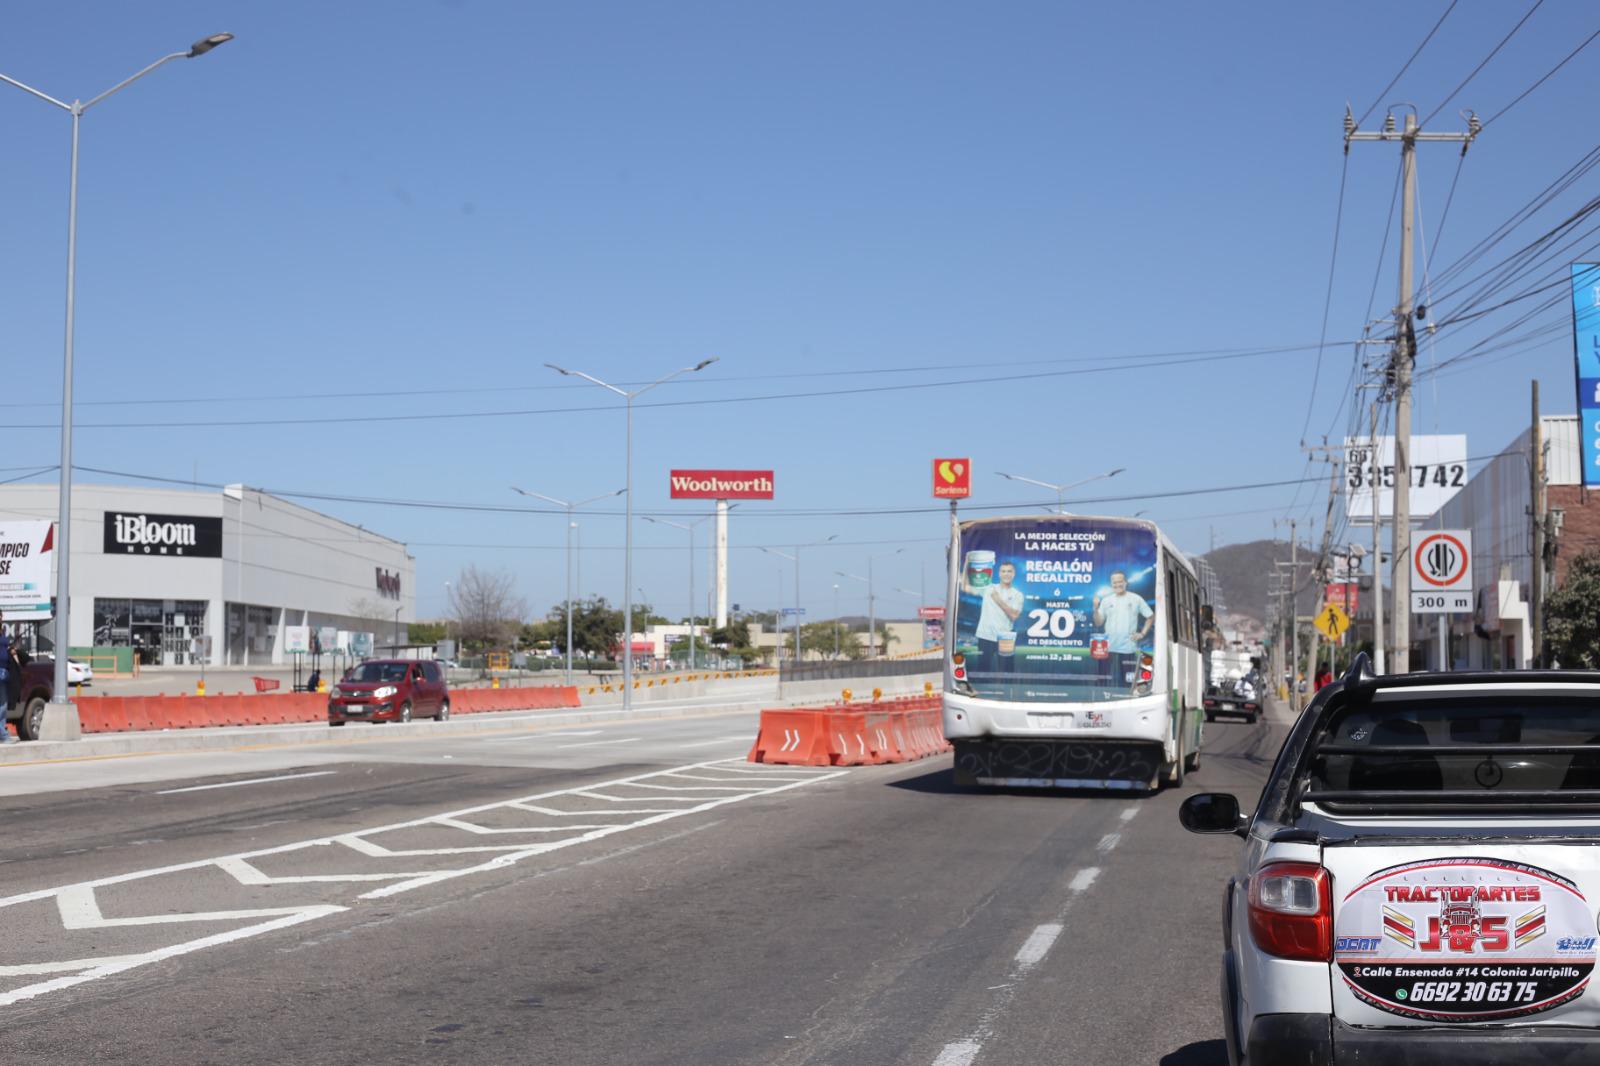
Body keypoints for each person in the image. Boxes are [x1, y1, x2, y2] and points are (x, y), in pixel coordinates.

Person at [1093, 570, 1153, 686]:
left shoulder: (1136, 599)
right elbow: (1098, 622)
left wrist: (1142, 634)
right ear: (1111, 584)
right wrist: (1095, 609)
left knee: (1127, 682)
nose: (1117, 584)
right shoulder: (1106, 600)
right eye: (1114, 582)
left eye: (1120, 581)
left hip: (1128, 648)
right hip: (1108, 648)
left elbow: (1150, 617)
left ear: (1126, 582)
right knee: (1102, 681)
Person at [964, 560, 1023, 676]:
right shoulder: (989, 589)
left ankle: (1007, 693)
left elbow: (1014, 615)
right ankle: (983, 693)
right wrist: (966, 564)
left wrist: (998, 600)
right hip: (986, 635)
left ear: (1013, 574)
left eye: (1009, 571)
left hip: (1005, 637)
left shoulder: (1017, 595)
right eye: (1003, 571)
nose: (1006, 574)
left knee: (1007, 672)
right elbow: (965, 586)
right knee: (983, 669)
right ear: (999, 574)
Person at [0, 615, 18, 744]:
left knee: (3, 704)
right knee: (2, 704)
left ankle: (3, 735)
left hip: (4, 670)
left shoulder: (2, 631)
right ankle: (4, 735)